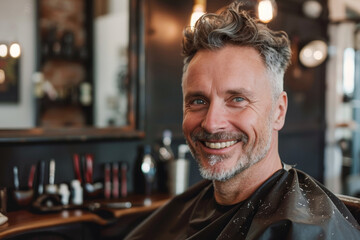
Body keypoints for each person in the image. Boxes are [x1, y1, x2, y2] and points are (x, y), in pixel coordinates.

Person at [125, 1, 360, 239]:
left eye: (237, 99)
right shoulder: (183, 210)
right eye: (198, 101)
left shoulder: (308, 231)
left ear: (279, 111)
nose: (211, 123)